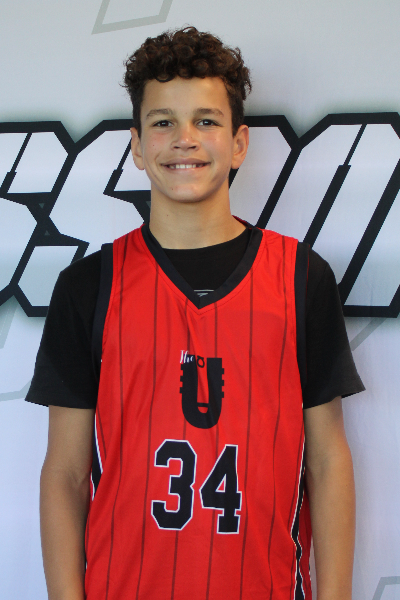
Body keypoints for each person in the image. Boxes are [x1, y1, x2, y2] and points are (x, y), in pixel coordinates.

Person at [27, 26, 364, 600]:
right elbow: (65, 473)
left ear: (239, 143)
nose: (184, 139)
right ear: (137, 146)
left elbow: (328, 459)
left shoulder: (302, 278)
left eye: (206, 121)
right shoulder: (88, 286)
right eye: (163, 122)